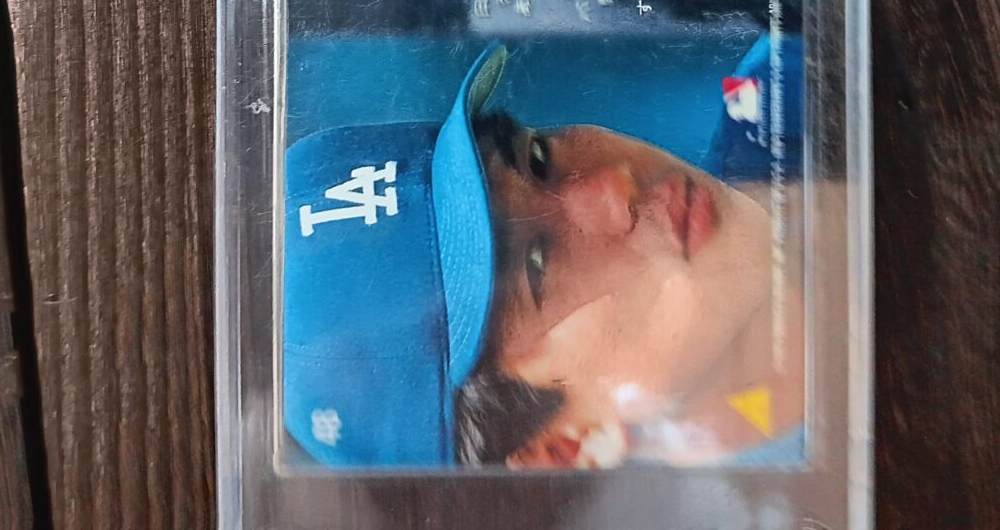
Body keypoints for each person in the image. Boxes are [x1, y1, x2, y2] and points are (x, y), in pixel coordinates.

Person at [283, 43, 803, 471]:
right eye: (538, 267)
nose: (613, 187)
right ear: (561, 448)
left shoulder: (794, 80)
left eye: (536, 159)